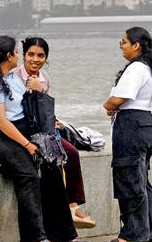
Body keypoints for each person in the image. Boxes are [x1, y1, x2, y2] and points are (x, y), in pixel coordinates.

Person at [0, 36, 87, 242]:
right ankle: (35, 239)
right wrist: (27, 144)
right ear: (9, 56)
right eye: (17, 52)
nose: (19, 56)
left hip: (19, 130)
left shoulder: (12, 79)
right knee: (28, 174)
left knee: (52, 166)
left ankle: (63, 233)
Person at [18, 36, 96, 229]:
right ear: (23, 55)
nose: (35, 60)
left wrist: (53, 119)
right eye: (31, 55)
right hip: (23, 131)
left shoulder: (45, 78)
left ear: (46, 58)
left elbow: (43, 108)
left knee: (72, 153)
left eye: (41, 56)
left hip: (44, 130)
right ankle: (67, 211)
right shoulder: (14, 77)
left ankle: (73, 206)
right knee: (55, 157)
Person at [103, 27, 152, 242]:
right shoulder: (146, 68)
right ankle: (147, 231)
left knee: (129, 179)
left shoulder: (136, 68)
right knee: (141, 181)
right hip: (146, 123)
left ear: (136, 45)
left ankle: (131, 234)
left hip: (132, 126)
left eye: (124, 42)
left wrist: (107, 105)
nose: (122, 47)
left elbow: (118, 99)